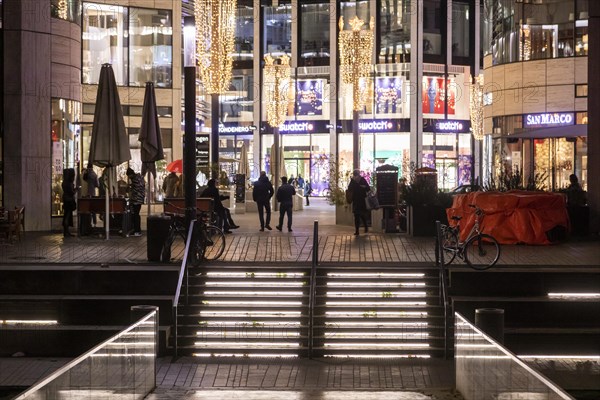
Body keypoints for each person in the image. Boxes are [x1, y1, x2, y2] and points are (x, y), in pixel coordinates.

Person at [348, 169, 370, 236]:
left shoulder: (361, 180)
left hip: (360, 200)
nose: (356, 176)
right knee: (358, 215)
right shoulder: (354, 181)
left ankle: (363, 227)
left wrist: (363, 187)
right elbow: (349, 189)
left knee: (360, 215)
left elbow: (368, 188)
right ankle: (358, 230)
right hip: (358, 200)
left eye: (356, 174)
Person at [126, 167, 145, 237]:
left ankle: (137, 230)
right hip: (140, 199)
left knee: (135, 215)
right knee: (136, 214)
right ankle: (137, 230)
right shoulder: (140, 178)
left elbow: (135, 189)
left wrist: (130, 188)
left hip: (136, 200)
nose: (129, 178)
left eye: (128, 176)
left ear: (130, 175)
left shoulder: (135, 180)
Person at [61, 168, 77, 237]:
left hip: (65, 199)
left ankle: (66, 232)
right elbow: (72, 192)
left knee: (66, 216)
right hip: (69, 200)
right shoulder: (69, 183)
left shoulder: (64, 182)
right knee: (67, 216)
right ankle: (66, 232)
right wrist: (76, 189)